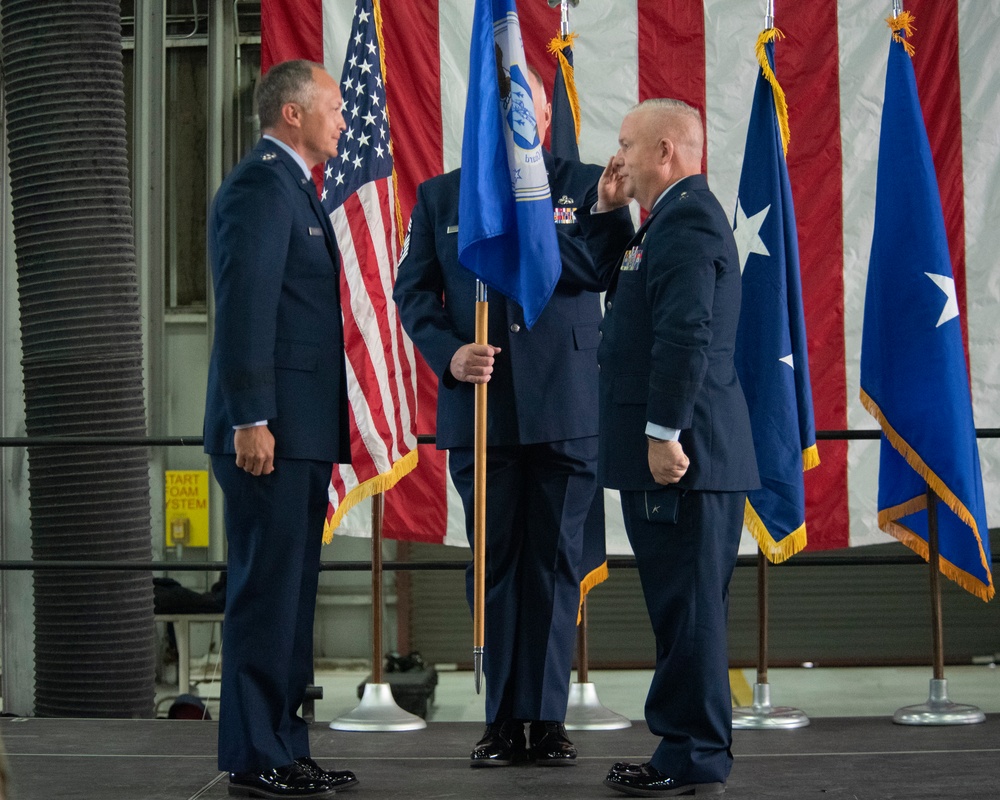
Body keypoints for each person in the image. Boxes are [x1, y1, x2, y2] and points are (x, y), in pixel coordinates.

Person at [393, 67, 632, 768]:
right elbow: (414, 293)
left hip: (565, 407)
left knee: (555, 568)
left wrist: (612, 210)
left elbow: (599, 272)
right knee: (496, 568)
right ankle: (502, 722)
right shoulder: (442, 195)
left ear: (534, 115)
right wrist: (448, 353)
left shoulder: (582, 183)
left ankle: (547, 721)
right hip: (483, 413)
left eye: (516, 109)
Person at [578, 99, 760, 796]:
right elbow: (610, 287)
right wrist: (605, 209)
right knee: (680, 611)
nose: (615, 155)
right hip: (678, 454)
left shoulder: (686, 223)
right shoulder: (662, 223)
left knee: (690, 612)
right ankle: (680, 748)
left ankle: (696, 754)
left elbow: (685, 335)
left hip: (685, 456)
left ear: (666, 152)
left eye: (627, 144)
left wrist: (662, 434)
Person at [204, 59, 358, 798]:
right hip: (268, 435)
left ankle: (285, 747)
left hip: (298, 433)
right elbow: (245, 312)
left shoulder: (294, 188)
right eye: (331, 107)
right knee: (266, 596)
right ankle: (255, 752)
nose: (342, 119)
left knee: (292, 599)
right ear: (291, 114)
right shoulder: (260, 187)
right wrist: (252, 418)